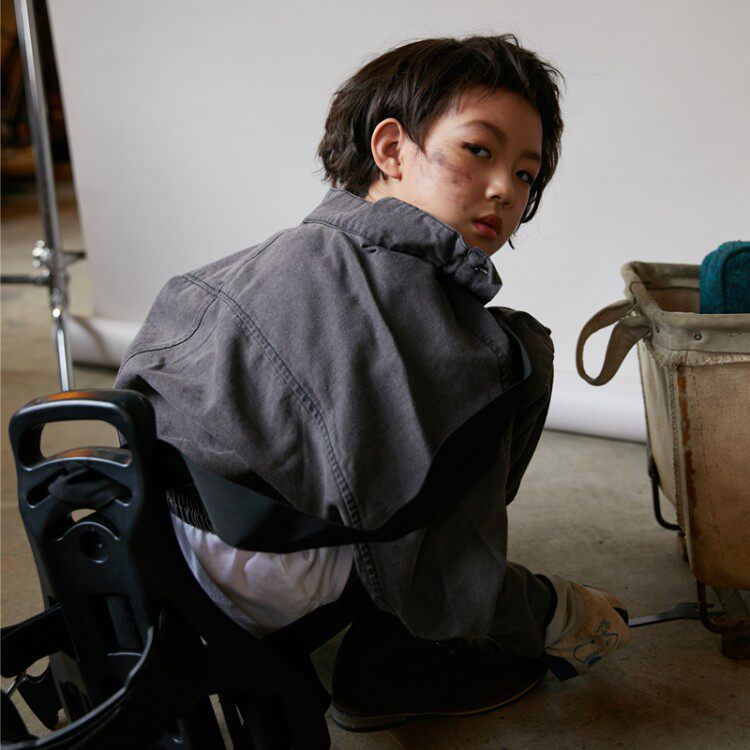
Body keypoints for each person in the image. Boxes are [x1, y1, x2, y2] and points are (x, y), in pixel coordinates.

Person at [114, 33, 630, 731]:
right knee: (518, 354)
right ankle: (409, 655)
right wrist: (546, 610)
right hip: (248, 577)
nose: (505, 189)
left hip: (131, 540)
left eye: (526, 174)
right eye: (479, 150)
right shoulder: (410, 321)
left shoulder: (285, 257)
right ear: (390, 149)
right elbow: (416, 551)